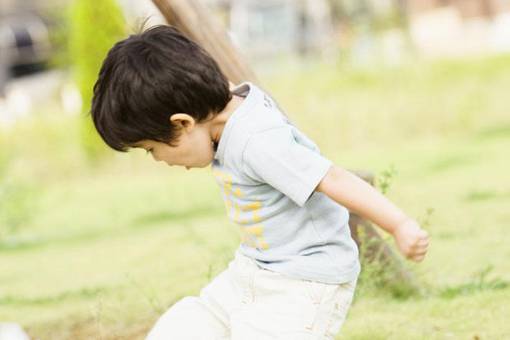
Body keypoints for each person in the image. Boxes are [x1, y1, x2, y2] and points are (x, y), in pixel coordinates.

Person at [91, 25, 430, 340]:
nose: (159, 160)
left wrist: (399, 224)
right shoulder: (225, 110)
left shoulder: (258, 141)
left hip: (304, 283)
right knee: (184, 325)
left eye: (152, 149)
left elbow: (332, 177)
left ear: (182, 123)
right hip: (254, 271)